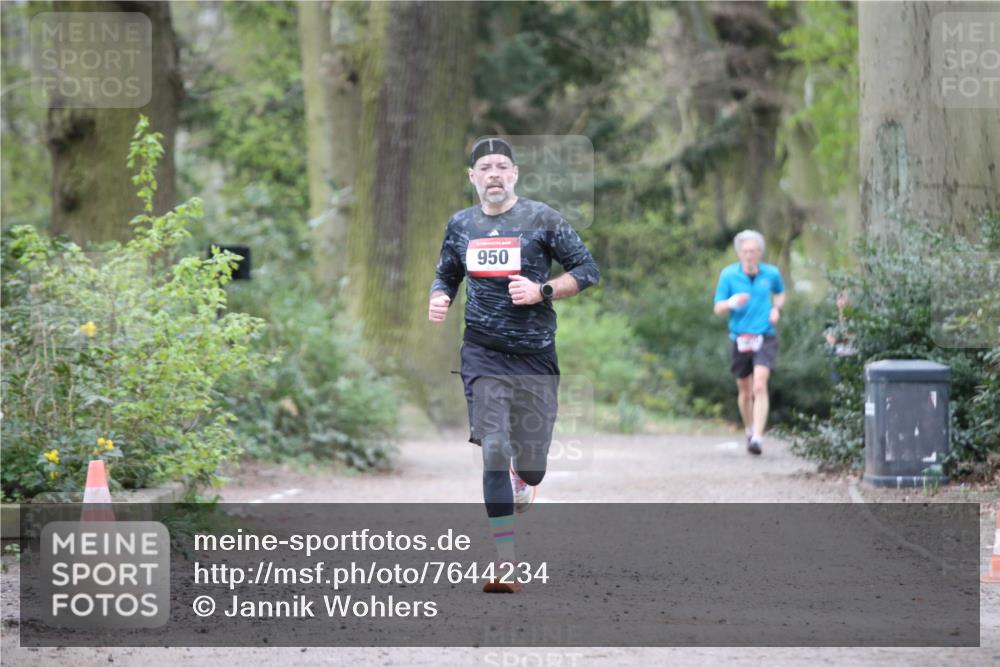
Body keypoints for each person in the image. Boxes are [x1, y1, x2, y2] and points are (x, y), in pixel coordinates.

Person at [428, 136, 599, 593]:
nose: (494, 174)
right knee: (494, 448)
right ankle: (505, 562)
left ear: (515, 173)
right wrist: (439, 295)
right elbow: (447, 270)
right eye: (485, 167)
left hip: (536, 357)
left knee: (533, 465)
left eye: (502, 165)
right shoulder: (461, 224)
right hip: (482, 354)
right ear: (473, 177)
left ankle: (526, 480)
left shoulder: (542, 219)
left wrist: (542, 291)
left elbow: (587, 271)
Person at [712, 230, 785, 455]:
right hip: (740, 337)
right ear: (739, 253)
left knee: (760, 385)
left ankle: (758, 438)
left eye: (753, 251)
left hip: (765, 335)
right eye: (745, 251)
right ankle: (749, 426)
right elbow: (717, 308)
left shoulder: (771, 273)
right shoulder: (728, 275)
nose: (749, 255)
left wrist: (776, 308)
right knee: (745, 392)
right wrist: (731, 302)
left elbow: (780, 293)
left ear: (760, 252)